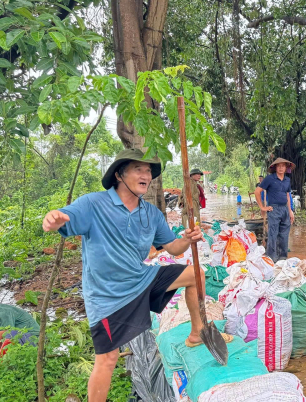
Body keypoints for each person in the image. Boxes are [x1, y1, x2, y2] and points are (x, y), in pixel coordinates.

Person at [41, 149, 231, 402]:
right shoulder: (93, 204)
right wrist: (55, 219)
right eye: (138, 169)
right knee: (107, 359)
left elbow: (173, 248)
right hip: (108, 296)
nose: (146, 175)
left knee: (194, 274)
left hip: (141, 279)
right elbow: (66, 218)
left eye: (149, 171)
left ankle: (197, 332)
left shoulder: (151, 213)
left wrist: (187, 239)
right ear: (119, 175)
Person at [258, 158, 296, 262]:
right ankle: (272, 258)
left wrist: (290, 211)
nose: (281, 168)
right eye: (278, 166)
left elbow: (287, 195)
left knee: (284, 234)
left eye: (283, 166)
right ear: (275, 168)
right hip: (273, 209)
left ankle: (282, 258)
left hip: (285, 209)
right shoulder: (270, 178)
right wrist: (262, 207)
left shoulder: (287, 180)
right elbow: (257, 191)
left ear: (286, 168)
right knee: (273, 234)